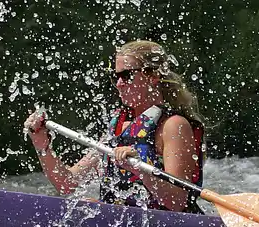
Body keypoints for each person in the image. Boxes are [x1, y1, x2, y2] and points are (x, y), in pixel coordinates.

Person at [24, 40, 205, 213]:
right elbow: (67, 183)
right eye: (115, 77)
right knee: (86, 205)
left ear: (153, 76)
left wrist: (139, 170)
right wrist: (42, 145)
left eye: (127, 76)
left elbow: (178, 201)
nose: (119, 84)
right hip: (125, 226)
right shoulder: (118, 127)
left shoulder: (173, 126)